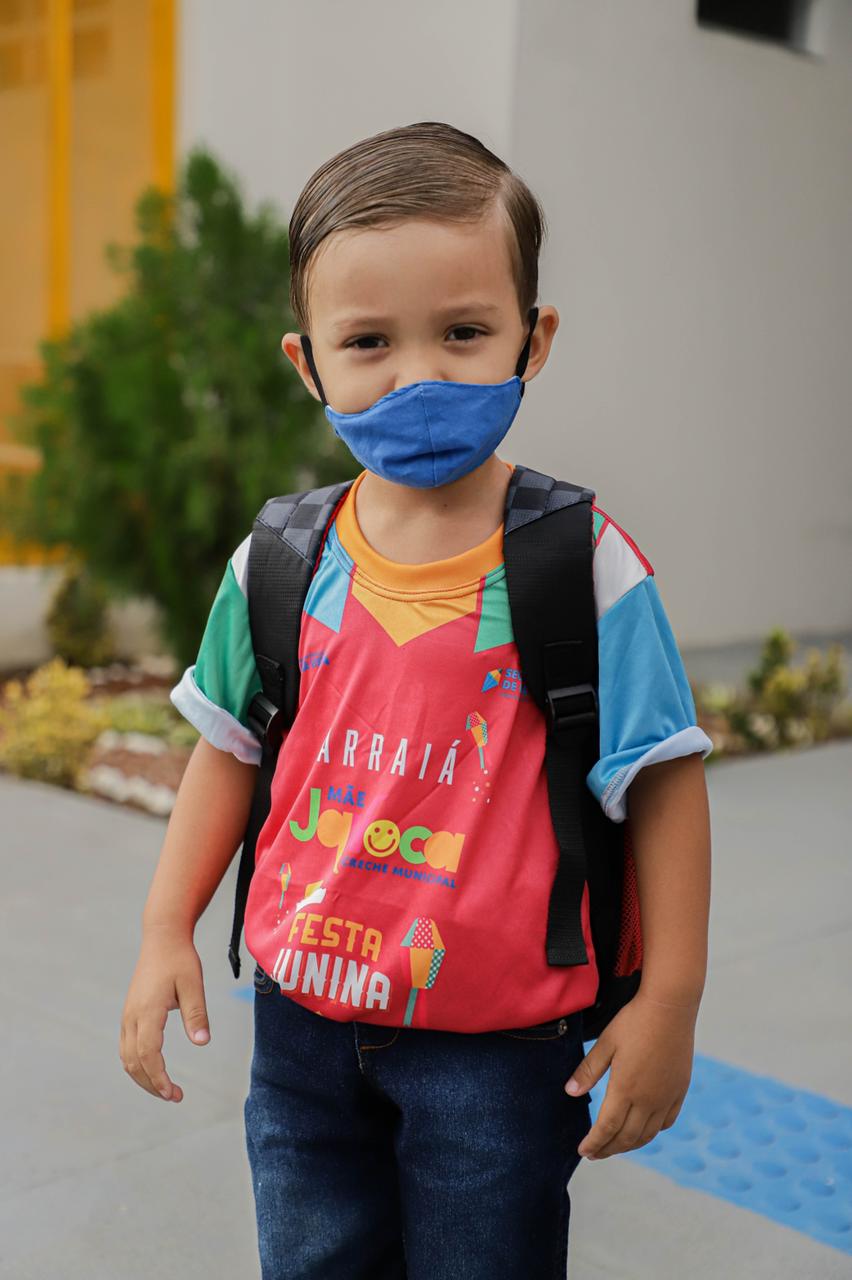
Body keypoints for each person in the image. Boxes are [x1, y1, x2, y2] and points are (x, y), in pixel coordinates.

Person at [119, 121, 713, 1279]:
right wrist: (162, 929)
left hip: (499, 1046)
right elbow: (229, 751)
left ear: (533, 337)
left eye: (463, 332)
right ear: (309, 364)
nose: (419, 376)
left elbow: (663, 780)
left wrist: (671, 999)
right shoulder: (278, 562)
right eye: (369, 341)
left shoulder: (586, 565)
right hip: (301, 1023)